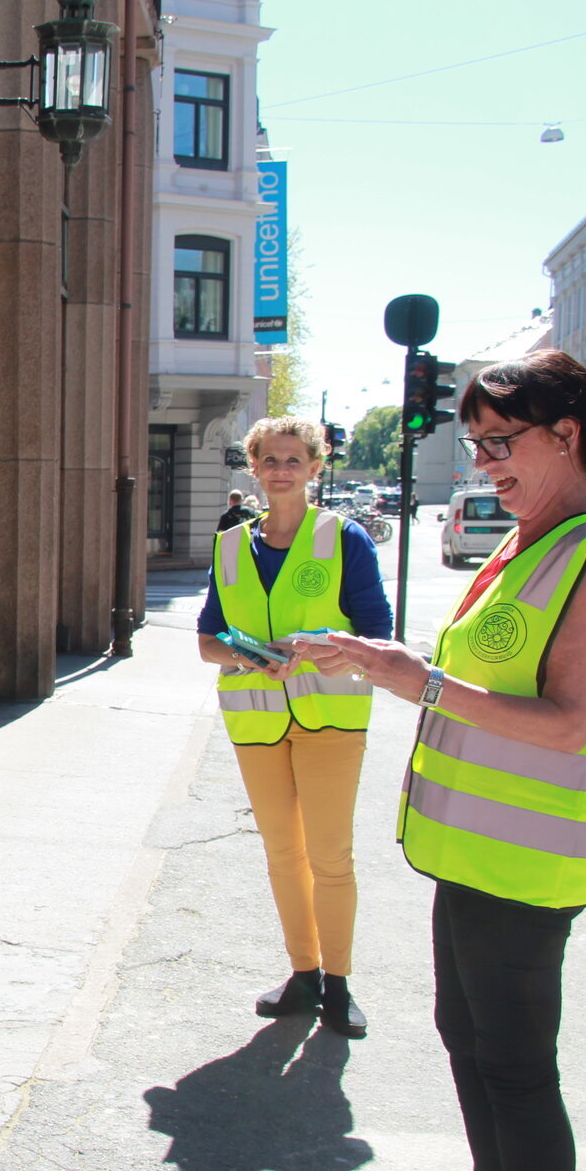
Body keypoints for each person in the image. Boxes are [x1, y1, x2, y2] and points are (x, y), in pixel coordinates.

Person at [312, 350, 586, 1171]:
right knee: (471, 1042)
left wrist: (414, 681)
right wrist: (393, 661)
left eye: (501, 443)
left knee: (516, 1069)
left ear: (567, 435)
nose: (486, 464)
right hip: (476, 852)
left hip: (530, 864)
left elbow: (566, 722)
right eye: (475, 446)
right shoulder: (527, 539)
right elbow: (488, 676)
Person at [195, 416, 392, 1038]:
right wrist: (243, 653)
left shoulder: (343, 538)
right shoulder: (231, 545)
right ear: (253, 467)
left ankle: (338, 981)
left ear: (314, 467)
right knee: (283, 853)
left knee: (330, 854)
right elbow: (207, 641)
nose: (281, 470)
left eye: (294, 459)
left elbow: (379, 637)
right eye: (270, 460)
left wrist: (320, 648)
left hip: (330, 717)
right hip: (256, 722)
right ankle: (303, 973)